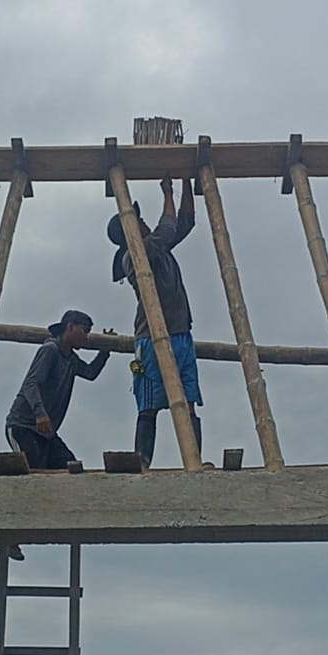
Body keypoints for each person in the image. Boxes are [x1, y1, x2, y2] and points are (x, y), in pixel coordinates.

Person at [108, 176, 202, 467]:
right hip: (150, 339)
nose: (143, 221)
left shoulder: (157, 249)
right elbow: (168, 228)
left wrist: (187, 183)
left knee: (187, 402)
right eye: (138, 220)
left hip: (179, 334)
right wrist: (168, 192)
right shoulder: (135, 255)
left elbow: (185, 223)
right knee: (149, 404)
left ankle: (195, 462)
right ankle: (143, 461)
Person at [5, 309, 109, 470]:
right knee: (33, 472)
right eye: (84, 331)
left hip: (46, 433)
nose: (86, 337)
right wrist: (40, 413)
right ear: (70, 327)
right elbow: (30, 384)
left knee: (69, 467)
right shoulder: (50, 350)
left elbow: (90, 373)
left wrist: (104, 351)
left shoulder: (71, 359)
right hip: (23, 426)